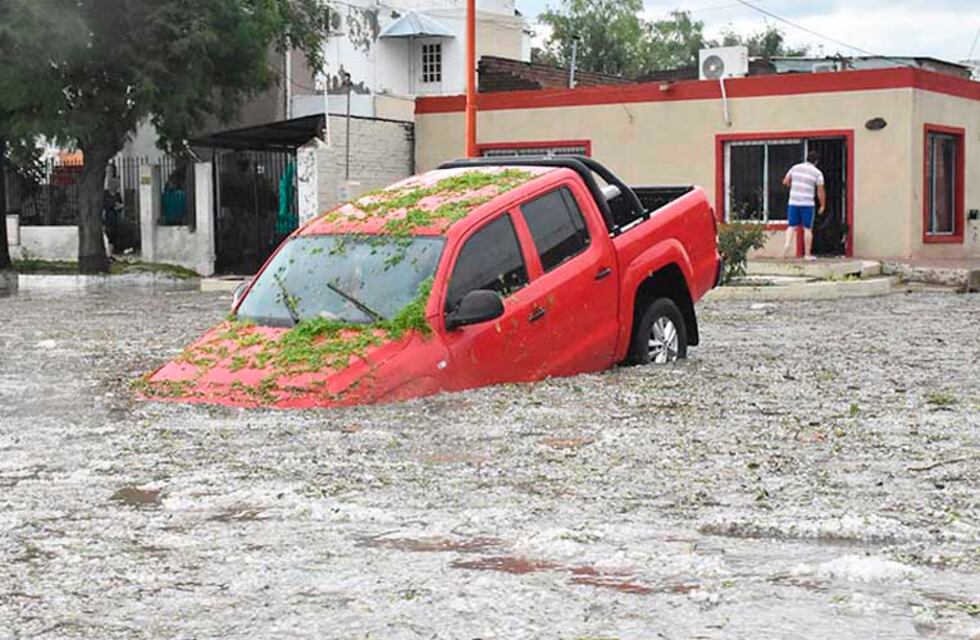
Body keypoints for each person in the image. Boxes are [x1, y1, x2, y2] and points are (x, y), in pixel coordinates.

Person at [782, 150, 826, 260]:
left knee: (791, 226)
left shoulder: (795, 168)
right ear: (816, 161)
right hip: (807, 203)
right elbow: (820, 191)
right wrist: (822, 205)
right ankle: (807, 254)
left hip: (793, 201)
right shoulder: (817, 173)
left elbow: (785, 181)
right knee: (807, 228)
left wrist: (794, 186)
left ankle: (787, 245)